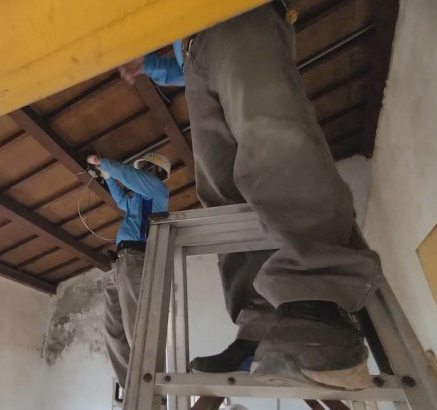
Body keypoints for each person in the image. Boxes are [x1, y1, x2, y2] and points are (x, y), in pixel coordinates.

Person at [119, 1, 380, 390]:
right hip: (192, 51)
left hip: (234, 9)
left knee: (270, 133)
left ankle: (320, 307)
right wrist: (152, 66)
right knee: (223, 197)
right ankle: (260, 325)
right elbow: (184, 68)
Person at [87, 152, 170, 388]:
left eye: (146, 167)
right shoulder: (139, 199)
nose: (141, 170)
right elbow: (121, 200)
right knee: (113, 329)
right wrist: (108, 177)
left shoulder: (157, 190)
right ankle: (131, 387)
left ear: (157, 172)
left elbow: (127, 175)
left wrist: (102, 163)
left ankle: (152, 389)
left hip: (136, 258)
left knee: (136, 324)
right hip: (121, 262)